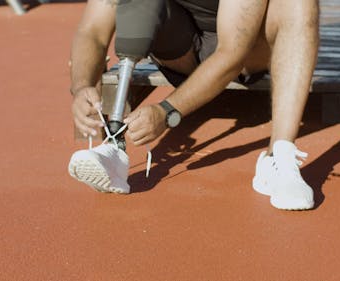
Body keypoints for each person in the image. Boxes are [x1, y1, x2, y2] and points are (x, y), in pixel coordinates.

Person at [68, 0, 319, 210]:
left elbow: (232, 53)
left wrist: (167, 111)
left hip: (247, 47)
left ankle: (278, 157)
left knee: (299, 3)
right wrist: (81, 87)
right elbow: (92, 30)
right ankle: (115, 147)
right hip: (183, 50)